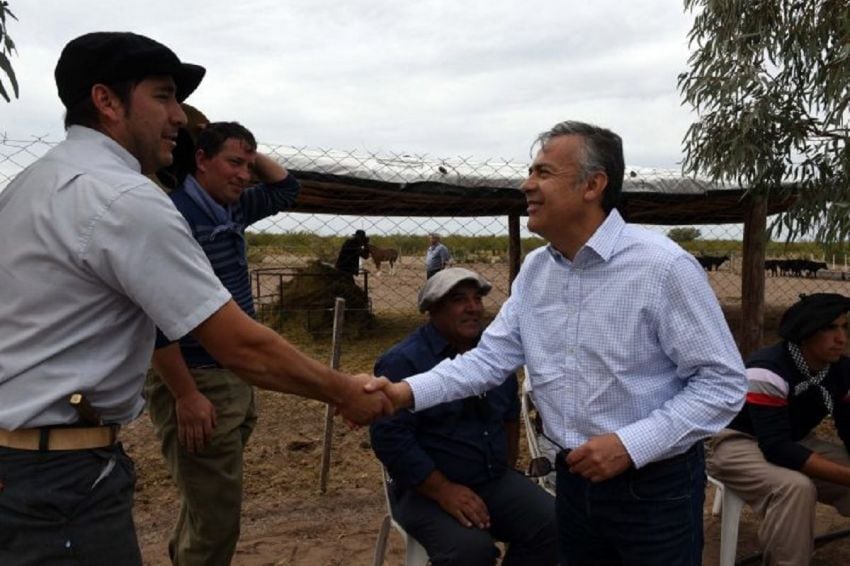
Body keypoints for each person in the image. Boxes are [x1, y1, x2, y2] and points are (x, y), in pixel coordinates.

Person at [0, 31, 390, 566]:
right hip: (62, 482)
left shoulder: (30, 185)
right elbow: (240, 347)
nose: (181, 116)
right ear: (107, 101)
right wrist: (345, 391)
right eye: (163, 95)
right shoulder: (126, 199)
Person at [369, 120, 747, 566]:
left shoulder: (663, 268)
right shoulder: (536, 271)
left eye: (543, 173)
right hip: (572, 477)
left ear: (593, 184)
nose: (527, 184)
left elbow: (722, 384)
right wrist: (403, 392)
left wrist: (631, 444)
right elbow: (488, 361)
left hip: (652, 486)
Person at [143, 121, 299, 565]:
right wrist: (186, 394)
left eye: (250, 166)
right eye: (233, 163)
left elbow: (287, 189)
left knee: (205, 503)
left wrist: (244, 149)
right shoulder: (174, 217)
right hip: (197, 376)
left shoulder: (230, 207)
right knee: (216, 519)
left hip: (230, 373)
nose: (245, 175)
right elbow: (153, 313)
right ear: (201, 159)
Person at [370, 268, 557, 566]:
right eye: (458, 300)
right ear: (432, 310)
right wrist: (442, 489)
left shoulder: (493, 354)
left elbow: (509, 417)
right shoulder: (403, 360)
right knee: (469, 552)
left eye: (477, 299)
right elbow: (390, 439)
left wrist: (507, 472)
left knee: (556, 524)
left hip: (491, 479)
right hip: (425, 491)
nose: (473, 308)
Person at [707, 293, 850, 566]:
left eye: (845, 327)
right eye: (829, 328)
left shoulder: (840, 369)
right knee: (795, 488)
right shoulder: (767, 369)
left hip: (794, 439)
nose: (841, 338)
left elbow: (848, 427)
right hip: (735, 441)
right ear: (805, 333)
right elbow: (776, 447)